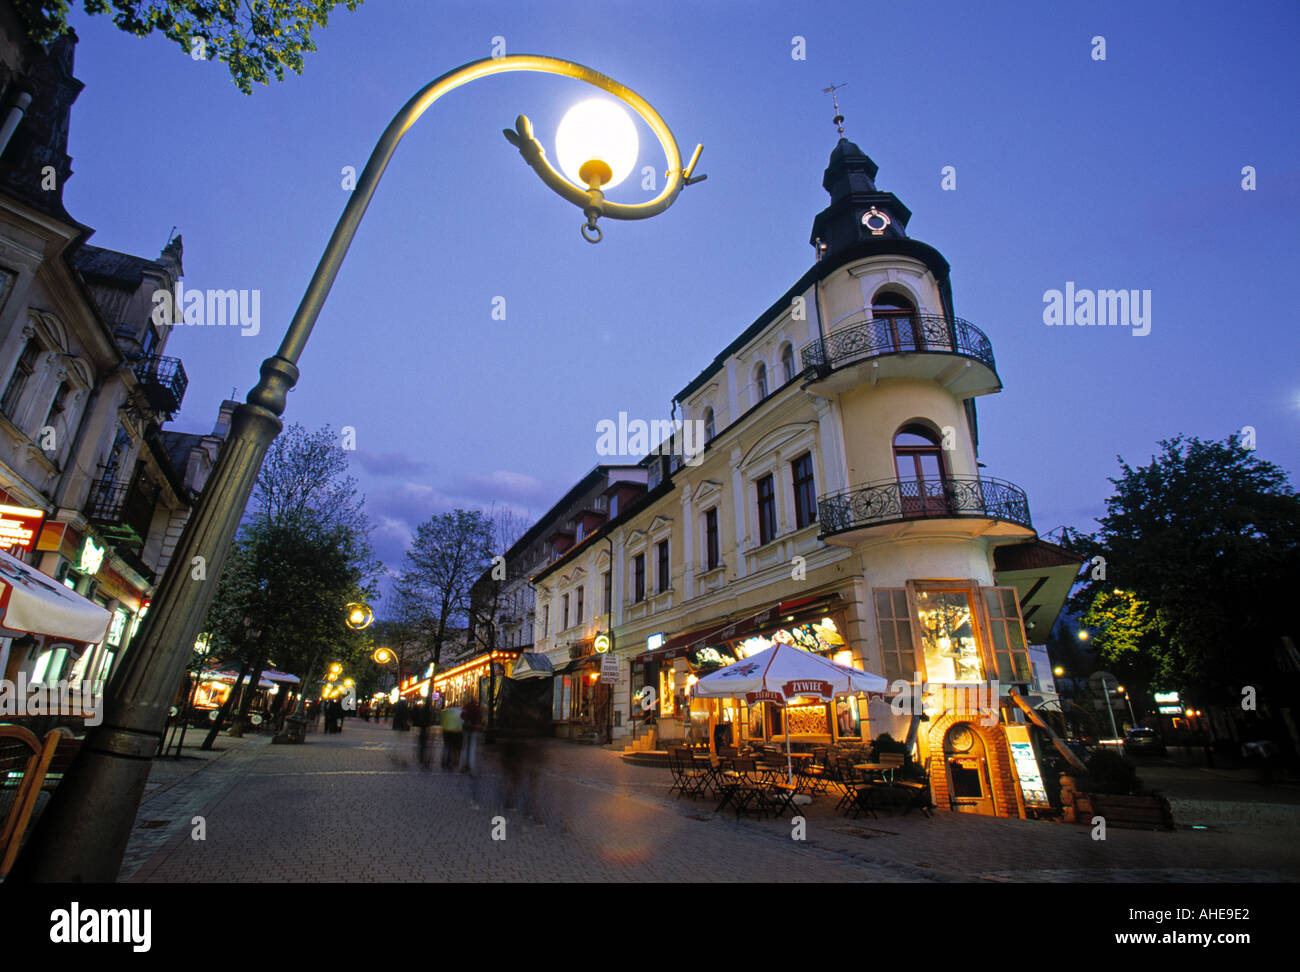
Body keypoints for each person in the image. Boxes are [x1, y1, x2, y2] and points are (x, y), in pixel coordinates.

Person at [460, 694, 482, 776]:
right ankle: (471, 767)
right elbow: (480, 718)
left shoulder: (466, 706)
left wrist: (466, 720)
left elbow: (461, 715)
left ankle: (463, 766)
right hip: (473, 729)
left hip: (466, 729)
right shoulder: (477, 708)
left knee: (464, 747)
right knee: (472, 748)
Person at [440, 701, 463, 771]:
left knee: (446, 747)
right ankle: (450, 762)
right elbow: (461, 722)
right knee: (453, 748)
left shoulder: (445, 712)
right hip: (455, 731)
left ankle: (444, 761)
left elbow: (441, 721)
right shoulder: (459, 712)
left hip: (446, 731)